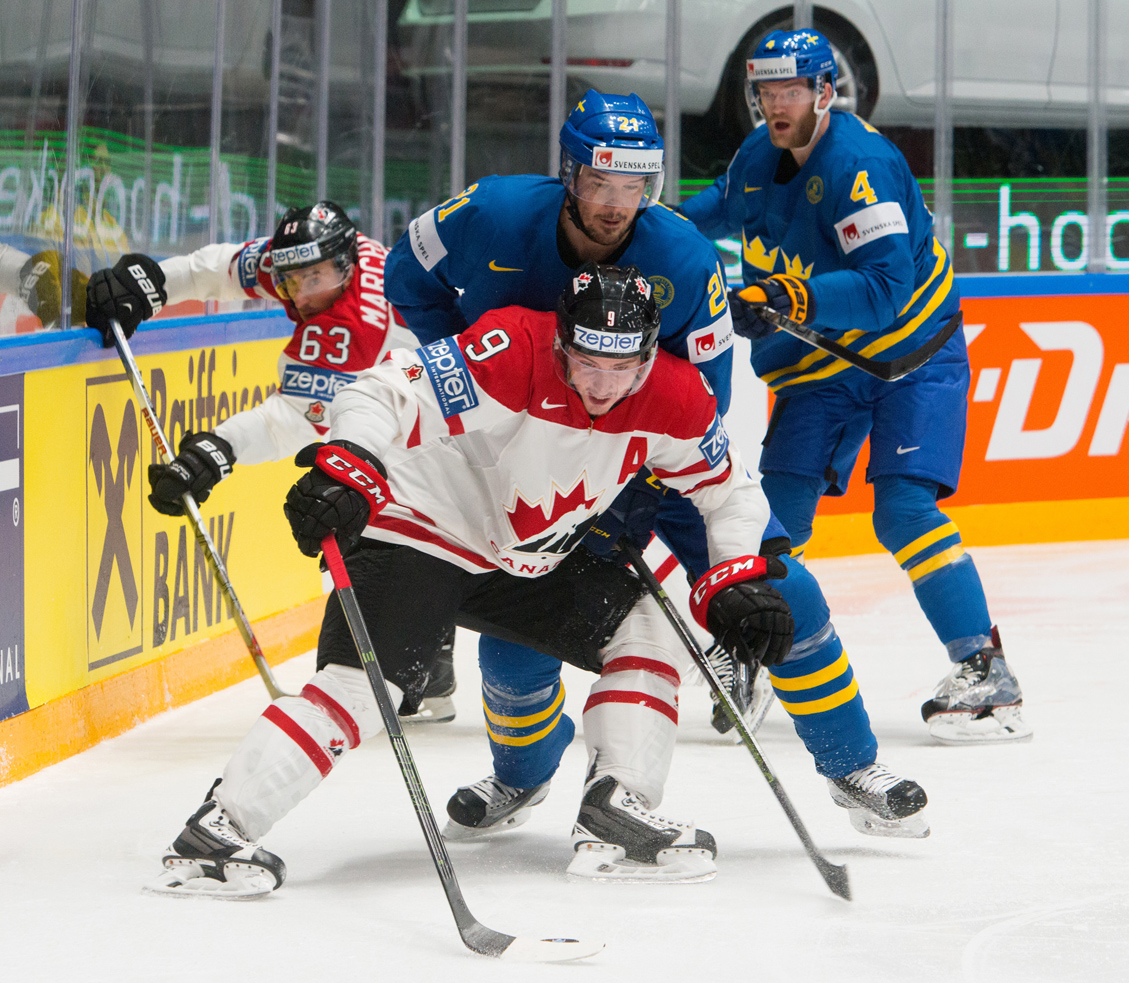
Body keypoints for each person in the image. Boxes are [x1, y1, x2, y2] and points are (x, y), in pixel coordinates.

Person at [149, 263, 795, 894]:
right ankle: (221, 825)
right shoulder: (514, 347)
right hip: (421, 526)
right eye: (588, 364)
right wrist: (349, 463)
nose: (601, 386)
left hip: (525, 560)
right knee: (365, 689)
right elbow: (380, 390)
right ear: (562, 342)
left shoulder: (674, 396)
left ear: (648, 358)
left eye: (621, 368)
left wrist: (739, 577)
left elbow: (730, 491)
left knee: (655, 627)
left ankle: (619, 802)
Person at [385, 91, 930, 830]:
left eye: (635, 187)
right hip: (527, 450)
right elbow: (406, 278)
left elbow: (705, 399)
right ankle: (521, 775)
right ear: (569, 174)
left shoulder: (683, 257)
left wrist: (633, 492)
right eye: (602, 184)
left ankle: (850, 761)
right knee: (519, 638)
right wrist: (477, 382)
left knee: (781, 590)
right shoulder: (493, 211)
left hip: (647, 454)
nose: (617, 205)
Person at [680, 28, 1031, 745]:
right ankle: (755, 654)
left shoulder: (860, 162)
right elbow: (717, 207)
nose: (775, 105)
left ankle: (985, 669)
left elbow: (884, 290)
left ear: (823, 92)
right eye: (764, 92)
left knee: (902, 509)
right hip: (819, 369)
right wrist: (647, 231)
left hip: (911, 359)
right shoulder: (758, 153)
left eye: (789, 91)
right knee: (771, 521)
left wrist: (785, 298)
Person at [83, 202, 456, 722]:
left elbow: (298, 422)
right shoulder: (308, 261)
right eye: (292, 279)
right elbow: (221, 267)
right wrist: (154, 282)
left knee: (378, 520)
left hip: (437, 421)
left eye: (315, 279)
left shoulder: (355, 325)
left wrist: (219, 449)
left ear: (346, 266)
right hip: (409, 398)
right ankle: (427, 663)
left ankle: (419, 664)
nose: (302, 293)